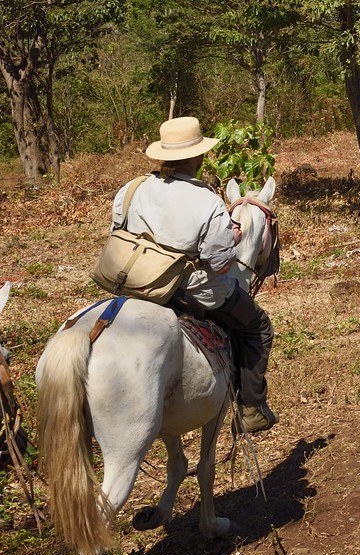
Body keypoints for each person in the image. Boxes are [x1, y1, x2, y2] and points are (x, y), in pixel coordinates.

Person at [114, 117, 277, 433]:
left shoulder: (131, 189)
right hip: (185, 290)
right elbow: (219, 263)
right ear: (199, 156)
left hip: (132, 284)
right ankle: (251, 410)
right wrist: (234, 240)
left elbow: (118, 233)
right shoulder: (205, 199)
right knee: (259, 327)